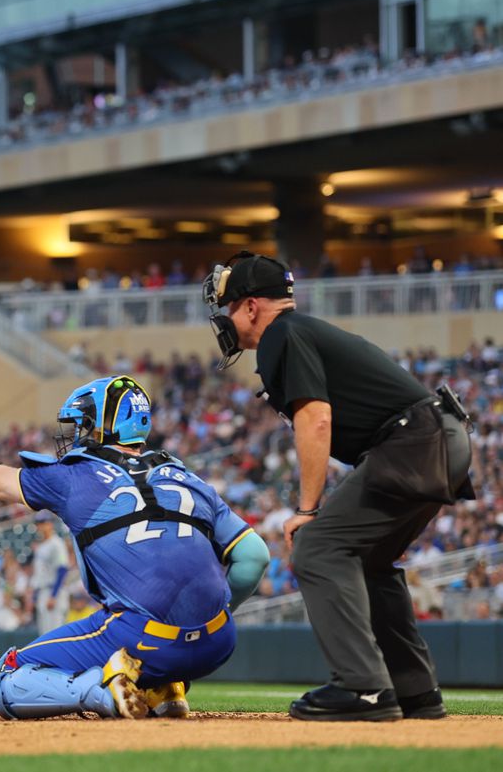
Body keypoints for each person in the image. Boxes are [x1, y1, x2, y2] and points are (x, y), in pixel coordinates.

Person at [202, 251, 474, 721]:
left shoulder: (280, 334)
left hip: (415, 440)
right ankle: (415, 691)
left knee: (318, 549)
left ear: (250, 306)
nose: (227, 318)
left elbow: (315, 418)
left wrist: (308, 510)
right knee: (370, 561)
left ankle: (362, 687)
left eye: (229, 307)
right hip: (437, 439)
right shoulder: (299, 331)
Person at [0, 375, 269, 720]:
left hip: (141, 638)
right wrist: (204, 622)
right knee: (160, 635)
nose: (77, 434)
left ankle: (103, 691)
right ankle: (162, 688)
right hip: (217, 643)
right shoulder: (187, 478)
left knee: (2, 677)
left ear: (102, 426)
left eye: (83, 425)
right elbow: (254, 558)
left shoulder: (73, 477)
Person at [30, 513, 72, 634]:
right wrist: (35, 595)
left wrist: (53, 596)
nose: (40, 527)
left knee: (54, 634)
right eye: (38, 524)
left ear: (50, 524)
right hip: (43, 592)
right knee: (43, 634)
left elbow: (62, 569)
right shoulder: (42, 546)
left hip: (53, 592)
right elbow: (39, 574)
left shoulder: (57, 543)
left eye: (43, 523)